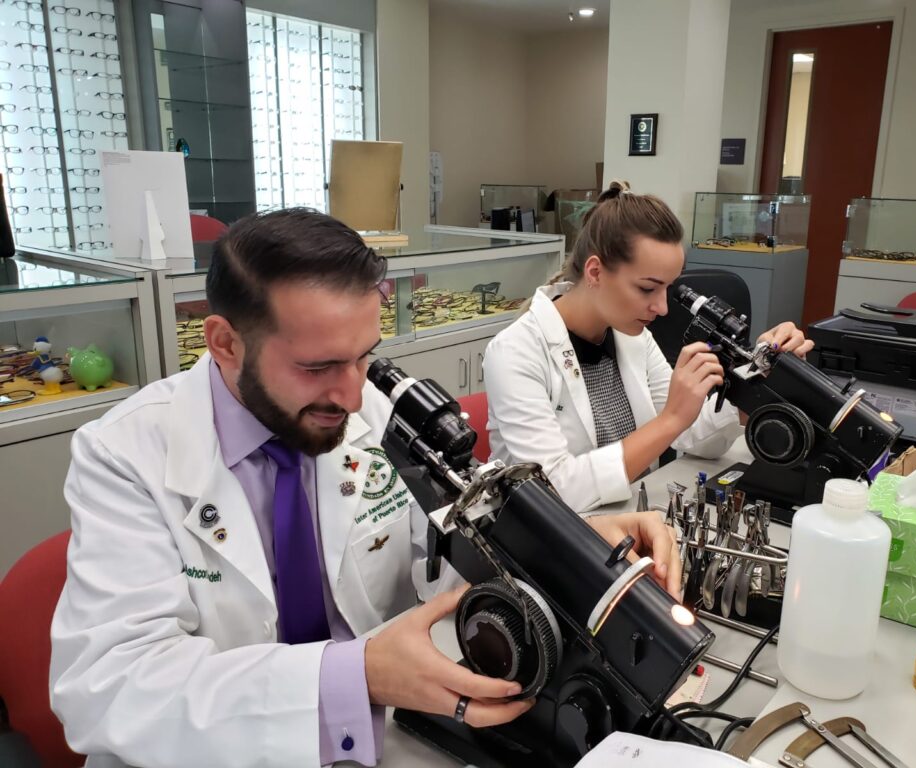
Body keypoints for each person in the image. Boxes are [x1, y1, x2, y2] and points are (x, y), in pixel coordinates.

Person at [49, 208, 683, 768]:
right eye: (318, 366)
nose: (352, 395)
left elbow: (447, 527)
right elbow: (109, 690)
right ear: (224, 343)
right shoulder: (124, 456)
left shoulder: (361, 407)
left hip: (385, 735)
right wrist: (351, 678)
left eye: (363, 357)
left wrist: (559, 541)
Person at [484, 182, 814, 513]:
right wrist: (671, 418)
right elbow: (553, 489)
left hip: (633, 516)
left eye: (667, 289)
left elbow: (697, 439)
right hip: (550, 538)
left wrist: (756, 383)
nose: (662, 307)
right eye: (647, 289)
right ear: (595, 272)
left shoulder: (632, 336)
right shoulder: (516, 352)